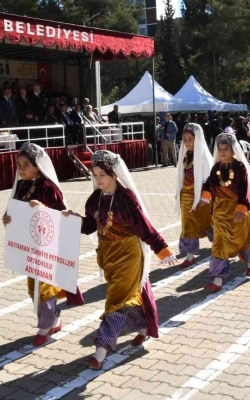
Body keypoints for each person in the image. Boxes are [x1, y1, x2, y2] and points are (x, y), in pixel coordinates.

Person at [63, 150, 176, 370]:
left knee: (114, 302)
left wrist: (162, 249)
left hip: (129, 255)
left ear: (114, 174)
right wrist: (74, 219)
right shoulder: (95, 199)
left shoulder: (126, 199)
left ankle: (101, 350)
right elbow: (89, 226)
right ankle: (143, 326)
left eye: (102, 175)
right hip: (108, 255)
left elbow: (145, 228)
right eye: (95, 175)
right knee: (125, 297)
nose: (98, 180)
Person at [3, 143, 85, 346]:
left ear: (38, 166)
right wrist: (7, 218)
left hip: (48, 248)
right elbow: (14, 212)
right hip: (28, 246)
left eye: (26, 164)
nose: (21, 169)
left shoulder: (48, 187)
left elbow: (61, 215)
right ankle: (55, 319)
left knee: (44, 287)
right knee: (33, 287)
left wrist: (43, 208)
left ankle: (45, 326)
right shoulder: (21, 185)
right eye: (18, 164)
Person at [199, 133, 250, 291]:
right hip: (220, 213)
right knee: (219, 244)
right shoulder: (216, 167)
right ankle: (217, 279)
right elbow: (209, 184)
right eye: (220, 149)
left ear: (233, 150)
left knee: (243, 238)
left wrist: (241, 209)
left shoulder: (239, 167)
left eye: (225, 149)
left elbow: (243, 189)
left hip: (237, 211)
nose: (222, 152)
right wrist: (205, 198)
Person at [175, 123, 213, 267]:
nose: (187, 143)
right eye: (185, 139)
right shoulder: (184, 154)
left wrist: (204, 196)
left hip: (200, 195)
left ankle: (221, 242)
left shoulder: (203, 156)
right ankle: (190, 255)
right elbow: (181, 174)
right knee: (188, 223)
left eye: (190, 139)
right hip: (186, 194)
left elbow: (208, 178)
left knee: (206, 222)